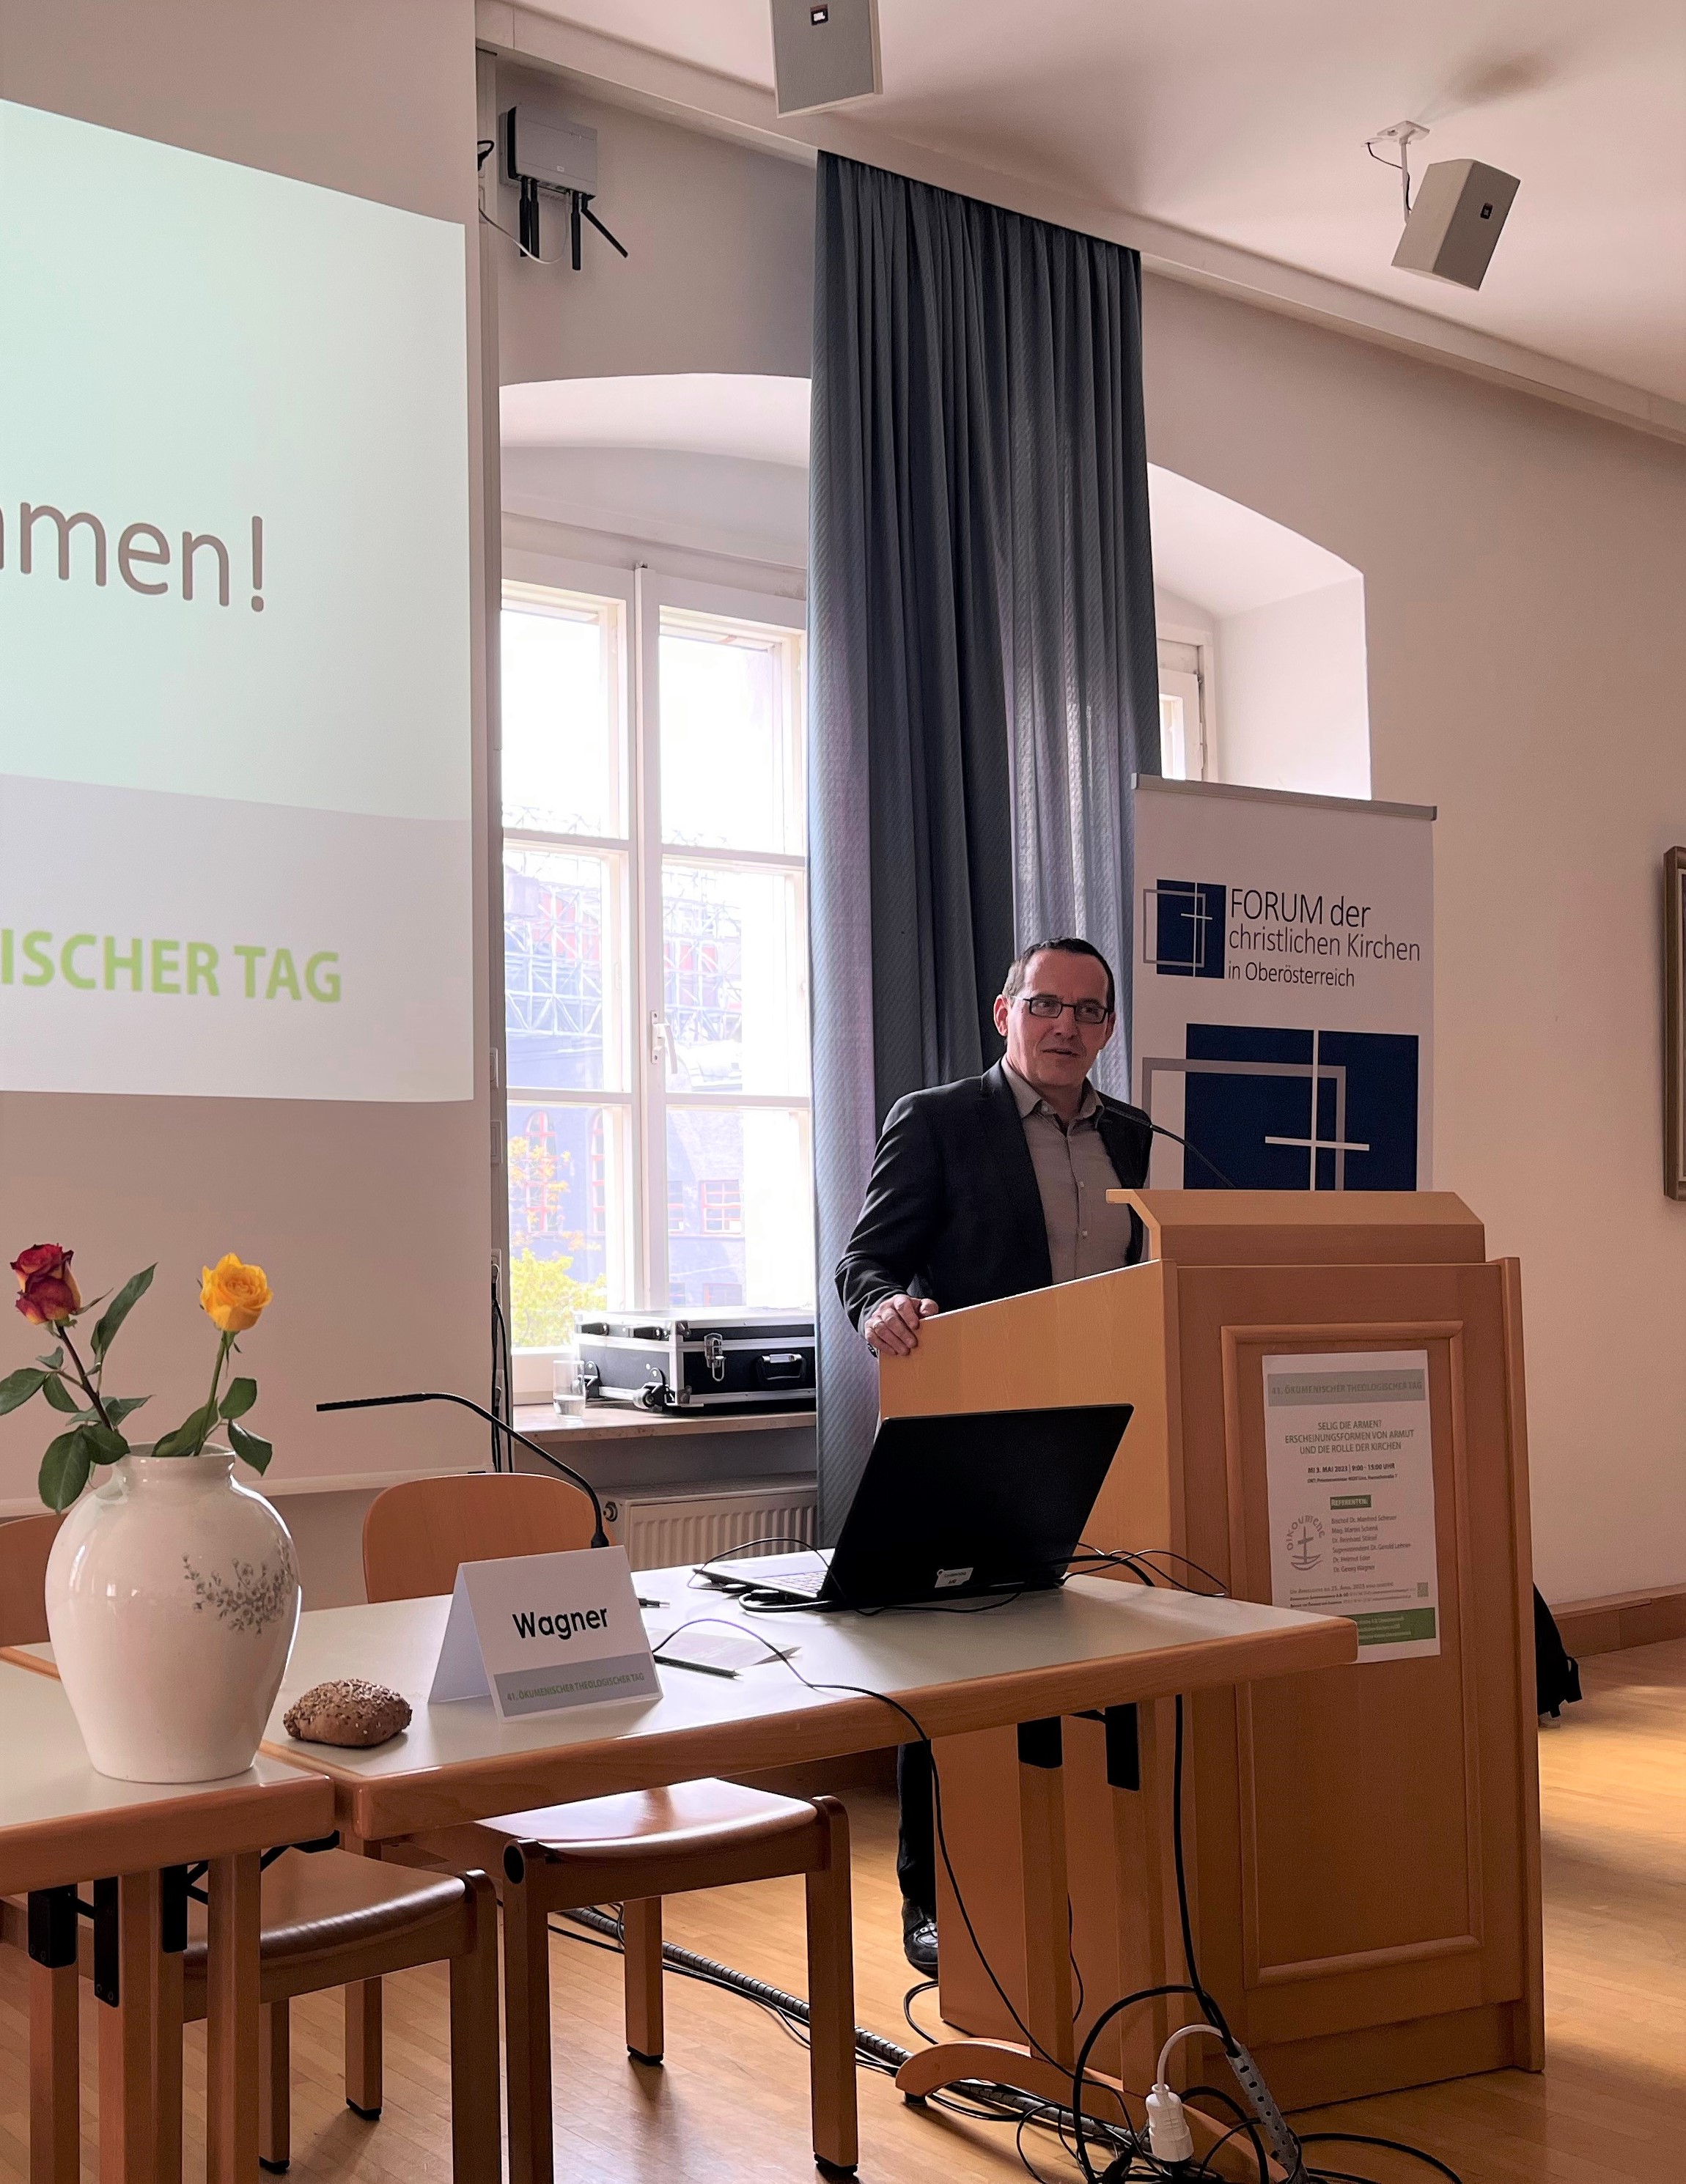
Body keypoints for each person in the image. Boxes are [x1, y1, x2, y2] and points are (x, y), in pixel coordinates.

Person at [834, 937, 1153, 1974]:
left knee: (1091, 1651)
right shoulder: (938, 1120)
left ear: (1109, 1028)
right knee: (949, 1664)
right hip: (978, 1430)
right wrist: (882, 1307)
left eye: (1089, 1012)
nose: (1067, 1027)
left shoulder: (1134, 1135)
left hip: (1110, 1430)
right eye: (1047, 1004)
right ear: (1004, 1012)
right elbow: (868, 1260)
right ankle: (932, 1898)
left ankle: (1084, 1872)